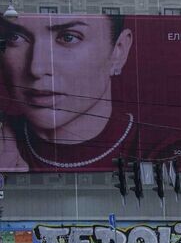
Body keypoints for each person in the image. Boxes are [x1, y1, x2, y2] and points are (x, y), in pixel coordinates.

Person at [0, 13, 135, 172]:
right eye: (15, 37)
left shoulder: (164, 151)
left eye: (68, 38)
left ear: (118, 51)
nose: (36, 69)